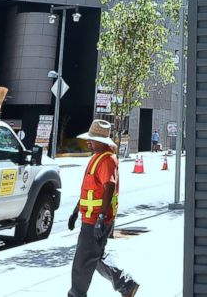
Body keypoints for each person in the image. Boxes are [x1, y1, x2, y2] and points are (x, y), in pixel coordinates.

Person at [67, 119, 139, 297]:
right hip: (91, 218)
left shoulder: (107, 160)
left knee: (82, 262)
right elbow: (91, 189)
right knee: (95, 257)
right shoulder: (97, 158)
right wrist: (76, 211)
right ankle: (126, 285)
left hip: (95, 220)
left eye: (92, 139)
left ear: (103, 141)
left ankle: (76, 295)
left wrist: (100, 218)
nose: (88, 141)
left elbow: (109, 187)